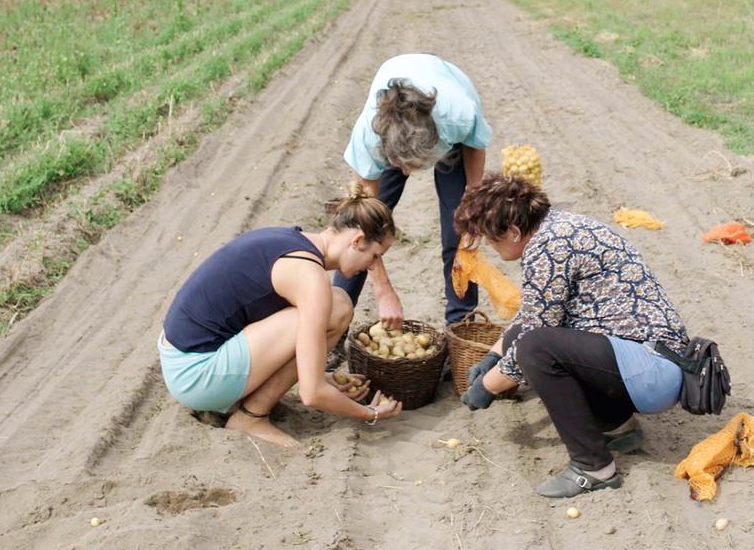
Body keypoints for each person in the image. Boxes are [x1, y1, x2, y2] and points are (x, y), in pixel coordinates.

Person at [452, 174, 693, 497]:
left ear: (512, 231)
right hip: (648, 360)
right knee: (532, 338)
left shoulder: (550, 247)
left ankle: (594, 468)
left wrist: (487, 386)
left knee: (537, 349)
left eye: (491, 240)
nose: (492, 249)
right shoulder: (558, 228)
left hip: (652, 373)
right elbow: (534, 313)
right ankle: (617, 426)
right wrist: (494, 355)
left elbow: (534, 337)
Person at [159, 184, 403, 448]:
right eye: (374, 256)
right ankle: (251, 416)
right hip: (196, 376)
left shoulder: (292, 242)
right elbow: (312, 395)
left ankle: (249, 398)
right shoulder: (309, 277)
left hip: (180, 356)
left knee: (339, 303)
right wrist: (370, 413)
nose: (372, 266)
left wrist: (317, 374)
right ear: (356, 241)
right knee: (324, 311)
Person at [335, 53, 492, 330]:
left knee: (458, 231)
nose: (407, 173)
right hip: (393, 133)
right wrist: (384, 290)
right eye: (401, 166)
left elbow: (474, 151)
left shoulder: (458, 114)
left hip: (446, 121)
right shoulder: (369, 138)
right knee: (355, 238)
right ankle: (335, 323)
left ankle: (461, 328)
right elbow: (362, 224)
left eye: (413, 165)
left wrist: (472, 207)